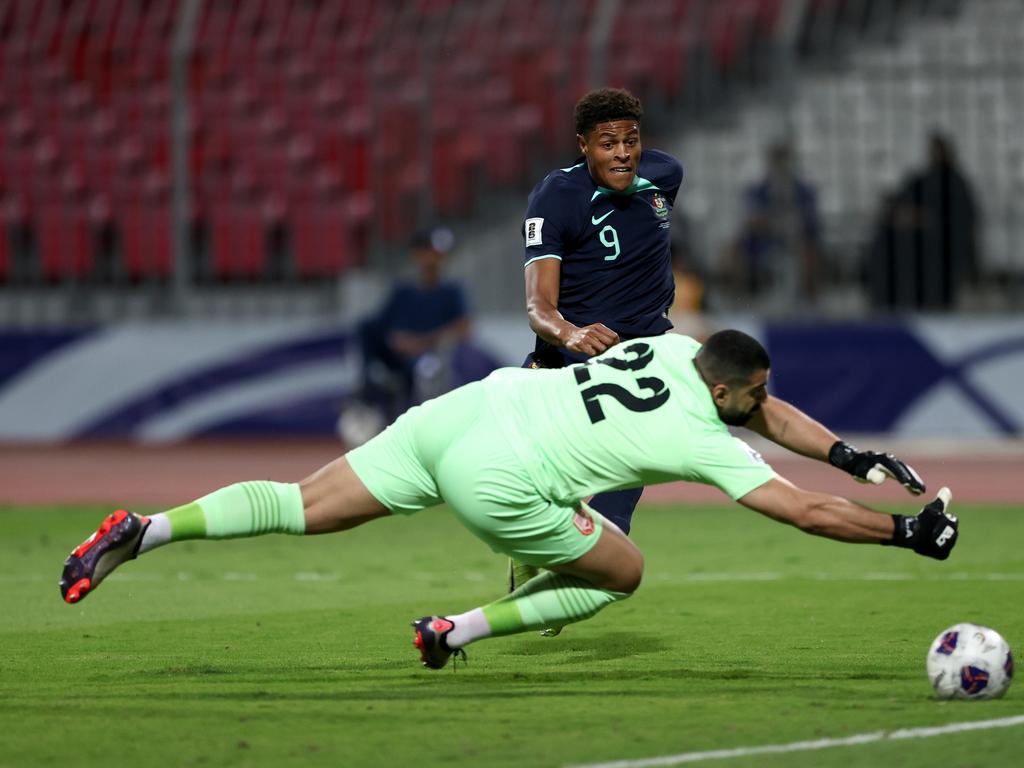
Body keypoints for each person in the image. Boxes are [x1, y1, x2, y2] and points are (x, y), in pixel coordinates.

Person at [60, 330, 959, 670]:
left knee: (301, 502)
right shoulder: (704, 439)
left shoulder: (674, 346)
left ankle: (151, 528)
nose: (762, 409)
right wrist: (904, 536)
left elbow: (774, 412)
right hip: (502, 476)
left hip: (469, 408)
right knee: (623, 567)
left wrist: (848, 453)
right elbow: (798, 508)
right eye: (754, 399)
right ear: (729, 395)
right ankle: (457, 630)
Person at [513, 87, 682, 593]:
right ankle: (536, 559)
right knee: (535, 482)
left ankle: (562, 579)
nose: (623, 154)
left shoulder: (665, 175)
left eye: (630, 141)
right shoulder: (554, 198)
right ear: (583, 144)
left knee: (612, 518)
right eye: (608, 144)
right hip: (569, 361)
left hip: (642, 362)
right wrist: (571, 333)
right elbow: (538, 307)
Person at [342, 226, 488, 444]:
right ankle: (368, 385)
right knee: (365, 328)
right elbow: (380, 327)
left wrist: (420, 343)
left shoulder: (452, 291)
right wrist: (393, 341)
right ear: (417, 254)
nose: (434, 259)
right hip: (399, 357)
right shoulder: (403, 291)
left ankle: (419, 434)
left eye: (439, 254)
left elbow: (464, 328)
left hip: (431, 358)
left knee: (425, 370)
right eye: (429, 252)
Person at [865, 132, 979, 310]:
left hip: (939, 249)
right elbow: (897, 207)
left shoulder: (956, 183)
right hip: (911, 247)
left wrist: (923, 219)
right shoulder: (921, 180)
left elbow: (959, 219)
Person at [730, 141, 823, 311]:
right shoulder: (759, 190)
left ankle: (809, 300)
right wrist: (774, 225)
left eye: (784, 159)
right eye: (777, 159)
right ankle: (742, 299)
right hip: (765, 242)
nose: (781, 164)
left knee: (809, 249)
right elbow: (753, 220)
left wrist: (785, 226)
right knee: (735, 249)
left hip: (796, 242)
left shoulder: (803, 190)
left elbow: (811, 222)